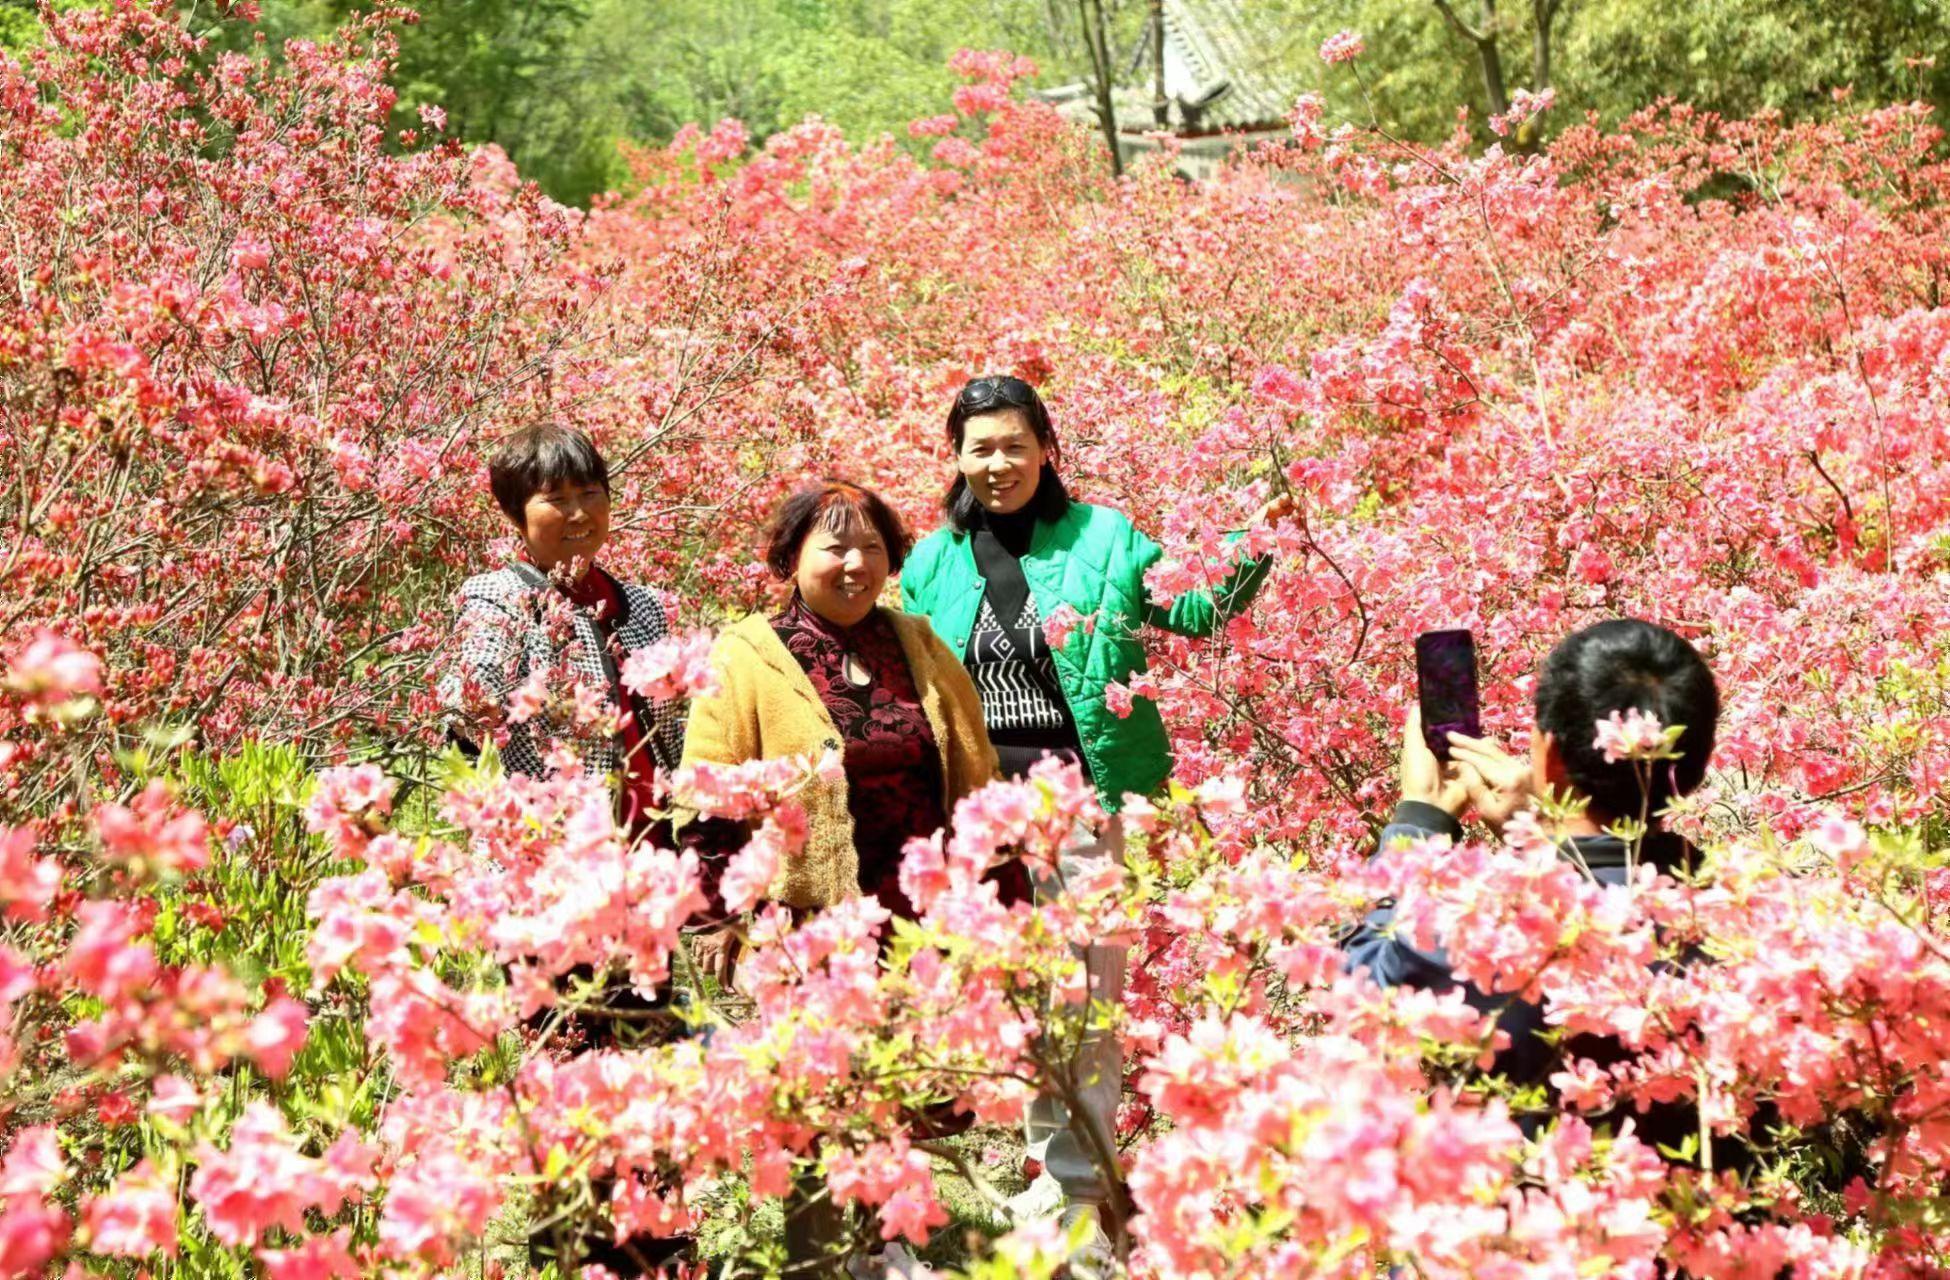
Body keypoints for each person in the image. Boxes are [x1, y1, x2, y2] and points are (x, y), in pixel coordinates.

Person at [898, 374, 1293, 1239]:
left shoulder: (1103, 536)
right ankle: (1036, 1169)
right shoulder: (931, 561)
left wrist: (1257, 529)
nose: (997, 464)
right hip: (977, 807)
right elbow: (912, 674)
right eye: (979, 449)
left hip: (1083, 796)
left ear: (1046, 448)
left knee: (1083, 997)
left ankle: (1077, 1186)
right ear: (956, 459)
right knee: (1013, 997)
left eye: (1013, 445)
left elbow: (1193, 608)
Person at [677, 480, 1004, 1273]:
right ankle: (827, 1254)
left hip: (915, 907)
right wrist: (720, 905)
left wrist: (989, 883)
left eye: (872, 548)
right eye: (834, 547)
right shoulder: (747, 653)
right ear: (791, 560)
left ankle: (886, 1246)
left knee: (899, 1081)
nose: (855, 563)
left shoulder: (919, 640)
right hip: (813, 912)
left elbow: (974, 764)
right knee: (821, 1091)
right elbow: (708, 785)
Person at [439, 422, 692, 1276]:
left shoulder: (641, 603)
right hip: (553, 881)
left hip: (645, 871)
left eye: (592, 494)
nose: (579, 513)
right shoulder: (499, 597)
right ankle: (585, 1254)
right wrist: (515, 712)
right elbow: (471, 708)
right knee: (576, 1070)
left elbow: (677, 728)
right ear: (518, 512)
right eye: (556, 497)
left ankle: (659, 1245)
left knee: (655, 1067)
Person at [1344, 617, 1726, 1156]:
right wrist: (1540, 836)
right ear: (1693, 766)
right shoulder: (1746, 919)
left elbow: (1361, 975)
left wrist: (1420, 820)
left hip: (1529, 1220)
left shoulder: (1476, 924)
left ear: (1547, 754)